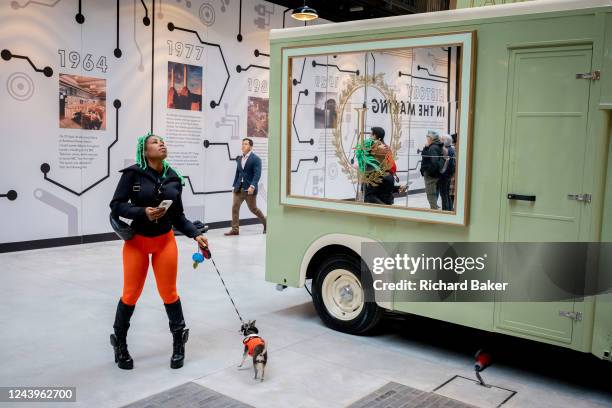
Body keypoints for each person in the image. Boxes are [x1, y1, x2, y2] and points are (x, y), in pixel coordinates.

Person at [109, 132, 209, 370]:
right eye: (154, 142)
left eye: (162, 141)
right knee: (130, 294)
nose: (161, 143)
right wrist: (141, 212)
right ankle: (120, 344)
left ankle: (178, 344)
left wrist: (196, 234)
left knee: (169, 293)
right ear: (144, 151)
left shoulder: (174, 178)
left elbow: (179, 216)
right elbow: (117, 205)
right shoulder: (132, 174)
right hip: (137, 243)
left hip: (165, 242)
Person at [225, 138, 267, 235]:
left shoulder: (256, 159)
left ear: (251, 147)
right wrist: (234, 185)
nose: (243, 146)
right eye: (243, 144)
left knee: (254, 209)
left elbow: (257, 174)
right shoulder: (239, 159)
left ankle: (266, 223)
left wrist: (252, 186)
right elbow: (238, 173)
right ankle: (235, 230)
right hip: (238, 188)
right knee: (234, 207)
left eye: (246, 144)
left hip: (249, 190)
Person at [357, 127, 395, 205]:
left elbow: (360, 151)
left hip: (376, 177)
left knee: (370, 198)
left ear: (376, 136)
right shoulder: (386, 147)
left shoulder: (375, 149)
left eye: (371, 134)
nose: (370, 136)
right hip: (387, 178)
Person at [420, 130, 444, 210]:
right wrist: (426, 147)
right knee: (433, 192)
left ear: (432, 138)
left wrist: (428, 172)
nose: (427, 139)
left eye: (428, 137)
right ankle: (434, 207)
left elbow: (434, 162)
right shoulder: (435, 146)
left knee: (430, 194)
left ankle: (433, 210)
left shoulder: (433, 147)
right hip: (434, 174)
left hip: (431, 175)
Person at [438, 134, 456, 211]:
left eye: (442, 139)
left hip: (444, 176)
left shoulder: (446, 150)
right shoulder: (451, 149)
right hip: (448, 175)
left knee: (444, 195)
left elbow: (445, 165)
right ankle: (449, 210)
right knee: (447, 194)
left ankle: (446, 211)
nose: (440, 141)